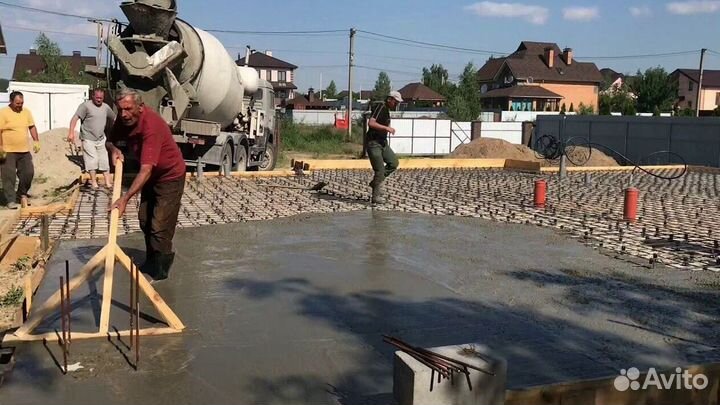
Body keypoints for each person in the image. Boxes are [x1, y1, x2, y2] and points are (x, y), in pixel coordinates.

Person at [107, 88, 186, 281]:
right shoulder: (123, 119)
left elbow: (145, 169)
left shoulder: (151, 125)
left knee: (159, 225)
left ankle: (161, 270)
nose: (124, 114)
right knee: (144, 220)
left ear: (140, 107)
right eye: (120, 109)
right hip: (151, 176)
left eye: (128, 109)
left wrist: (125, 198)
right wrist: (113, 148)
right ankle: (151, 260)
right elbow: (109, 139)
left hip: (170, 176)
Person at [68, 88, 116, 190]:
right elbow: (74, 118)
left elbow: (114, 118)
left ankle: (107, 182)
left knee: (104, 160)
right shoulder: (85, 106)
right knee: (92, 160)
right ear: (92, 96)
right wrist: (71, 132)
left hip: (101, 138)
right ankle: (94, 182)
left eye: (101, 98)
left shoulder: (106, 107)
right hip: (88, 138)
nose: (99, 100)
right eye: (97, 98)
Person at [0, 91, 40, 209]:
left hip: (24, 150)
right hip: (7, 150)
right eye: (17, 103)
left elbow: (31, 126)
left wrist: (36, 141)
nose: (20, 105)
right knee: (9, 176)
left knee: (28, 173)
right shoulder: (3, 113)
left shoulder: (26, 112)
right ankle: (10, 200)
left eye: (21, 103)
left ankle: (21, 194)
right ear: (11, 101)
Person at [366, 90, 402, 204]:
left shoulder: (387, 111)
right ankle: (375, 196)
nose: (396, 105)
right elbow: (371, 123)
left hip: (383, 143)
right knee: (380, 170)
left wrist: (387, 128)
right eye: (395, 102)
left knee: (394, 163)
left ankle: (375, 183)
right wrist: (386, 128)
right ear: (389, 99)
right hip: (373, 143)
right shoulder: (380, 107)